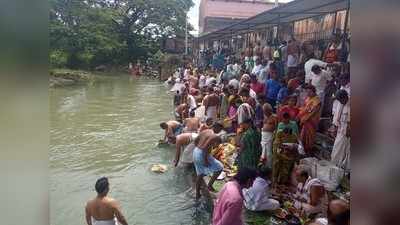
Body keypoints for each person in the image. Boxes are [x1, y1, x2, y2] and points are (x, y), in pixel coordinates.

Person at [193, 129, 223, 199]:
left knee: (200, 174)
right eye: (217, 144)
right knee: (220, 167)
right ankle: (209, 185)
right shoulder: (213, 136)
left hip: (195, 152)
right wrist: (205, 160)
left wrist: (198, 148)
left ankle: (197, 194)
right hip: (202, 155)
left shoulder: (205, 132)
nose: (216, 146)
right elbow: (205, 147)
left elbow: (196, 140)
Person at [298, 85, 321, 154]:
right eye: (307, 92)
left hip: (311, 121)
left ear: (314, 92)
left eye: (309, 92)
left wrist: (306, 119)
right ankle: (303, 150)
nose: (308, 93)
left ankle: (309, 150)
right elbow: (304, 107)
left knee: (310, 137)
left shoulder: (317, 100)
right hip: (305, 120)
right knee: (303, 136)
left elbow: (313, 112)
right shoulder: (308, 98)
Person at [330, 90, 350, 171]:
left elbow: (350, 123)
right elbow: (338, 117)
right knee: (337, 150)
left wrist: (347, 133)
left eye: (340, 100)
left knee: (341, 151)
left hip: (347, 132)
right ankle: (335, 166)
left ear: (345, 98)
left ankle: (339, 168)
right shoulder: (342, 103)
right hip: (341, 130)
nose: (339, 102)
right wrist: (335, 128)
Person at [260, 103, 278, 168]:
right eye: (264, 111)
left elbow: (277, 128)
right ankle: (264, 166)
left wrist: (275, 137)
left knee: (269, 153)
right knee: (263, 153)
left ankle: (269, 167)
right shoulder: (265, 117)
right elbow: (263, 126)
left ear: (269, 110)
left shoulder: (274, 117)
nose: (264, 112)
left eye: (266, 111)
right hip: (263, 136)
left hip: (270, 136)